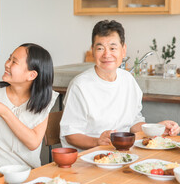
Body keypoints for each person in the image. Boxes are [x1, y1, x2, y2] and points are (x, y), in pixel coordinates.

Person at [60, 20, 180, 151]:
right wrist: (97, 141)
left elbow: (134, 122)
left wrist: (155, 129)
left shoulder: (128, 80)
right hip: (88, 159)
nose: (107, 54)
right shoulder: (80, 86)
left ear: (123, 50)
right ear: (93, 51)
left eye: (112, 48)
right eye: (100, 48)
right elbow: (70, 134)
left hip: (123, 154)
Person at [0, 43, 59, 170]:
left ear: (31, 75)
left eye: (14, 62)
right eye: (9, 58)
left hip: (27, 172)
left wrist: (4, 111)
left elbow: (33, 143)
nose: (7, 64)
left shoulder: (43, 102)